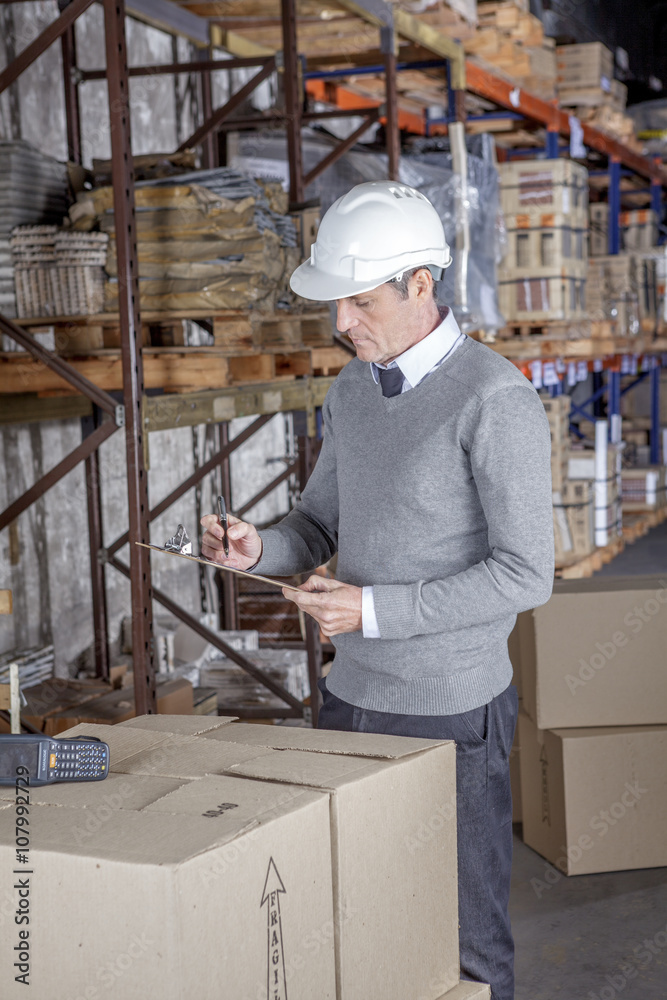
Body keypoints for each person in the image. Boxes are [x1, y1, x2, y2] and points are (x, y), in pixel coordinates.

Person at [201, 180, 554, 1000]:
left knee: (466, 940)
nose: (341, 323)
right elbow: (318, 527)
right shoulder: (353, 391)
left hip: (449, 712)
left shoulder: (493, 400)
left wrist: (374, 609)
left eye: (359, 301)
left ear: (419, 285)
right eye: (337, 304)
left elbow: (524, 573)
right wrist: (258, 549)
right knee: (362, 916)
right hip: (350, 698)